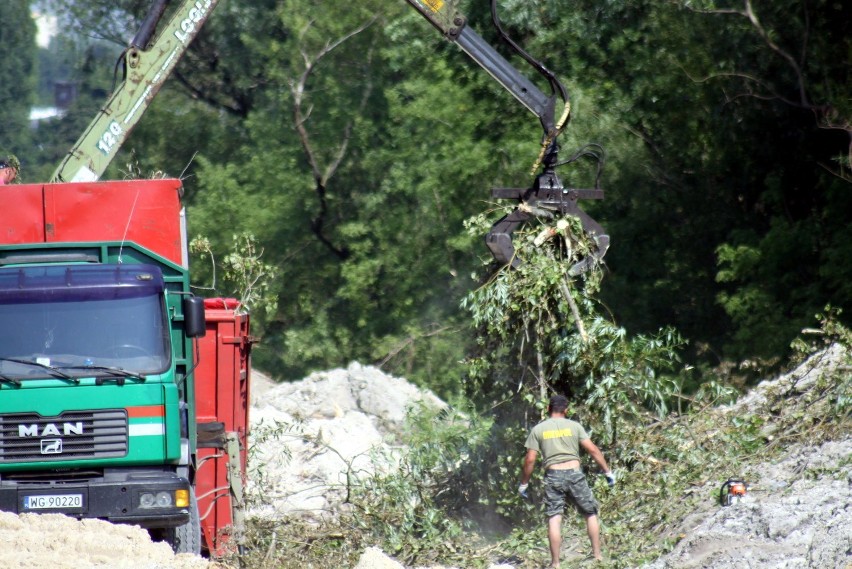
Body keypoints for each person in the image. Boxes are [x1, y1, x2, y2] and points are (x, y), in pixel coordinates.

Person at [519, 394, 615, 567]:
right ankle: (597, 556)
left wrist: (524, 483)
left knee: (554, 517)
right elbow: (593, 450)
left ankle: (555, 564)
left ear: (548, 409)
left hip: (553, 476)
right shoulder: (574, 426)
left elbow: (530, 460)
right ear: (566, 410)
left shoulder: (538, 430)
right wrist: (607, 472)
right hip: (574, 474)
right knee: (590, 513)